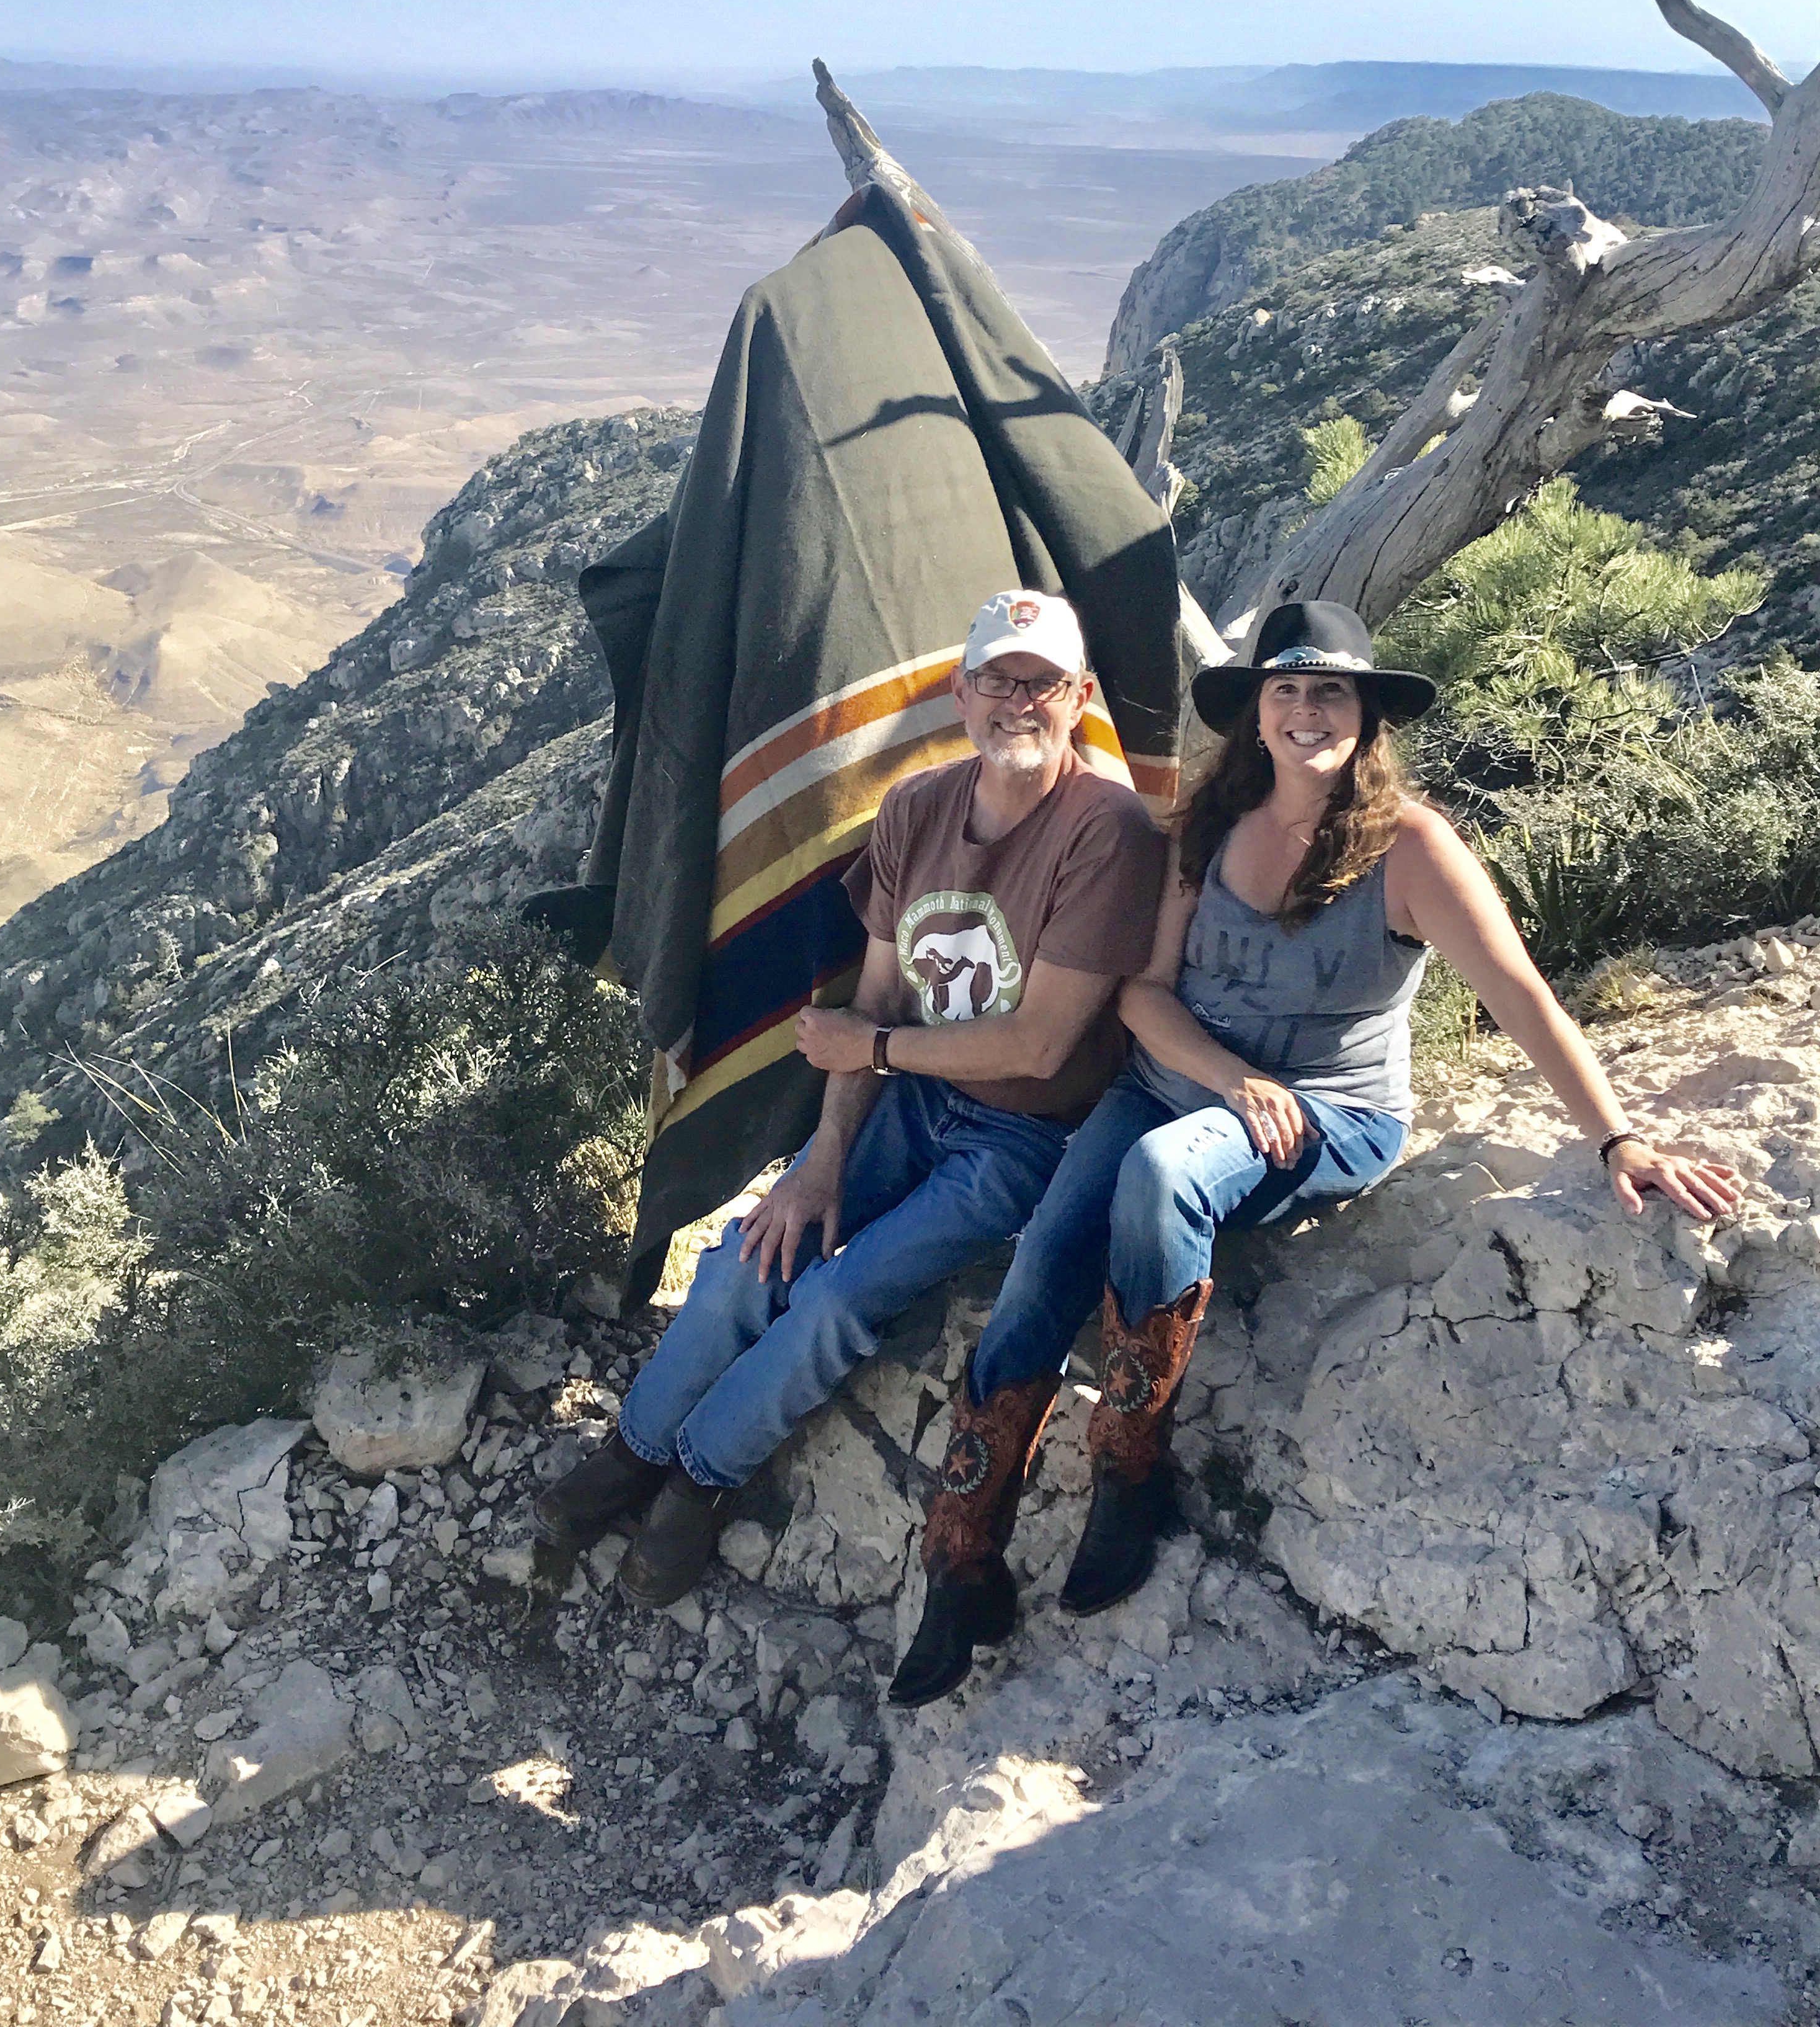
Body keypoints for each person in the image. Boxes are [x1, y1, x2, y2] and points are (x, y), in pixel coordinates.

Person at [890, 599, 1744, 1708]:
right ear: (1255, 714)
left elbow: (1519, 993)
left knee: (1164, 1177)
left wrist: (1618, 1136)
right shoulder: (1207, 828)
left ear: (1365, 713)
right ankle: (960, 1563)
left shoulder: (1409, 849)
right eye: (1284, 690)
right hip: (1178, 1085)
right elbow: (1145, 996)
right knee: (1041, 1265)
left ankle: (1130, 1467)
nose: (1305, 711)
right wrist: (1228, 1078)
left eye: (1328, 691)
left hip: (1327, 1116)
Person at [533, 587, 1166, 1608]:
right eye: (999, 680)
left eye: (1044, 684)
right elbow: (877, 986)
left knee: (835, 1297)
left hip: (1016, 1137)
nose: (1020, 702)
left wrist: (870, 1048)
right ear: (961, 695)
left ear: (1079, 695)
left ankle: (701, 1474)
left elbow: (1041, 1045)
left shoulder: (1107, 832)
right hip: (901, 1098)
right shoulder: (917, 810)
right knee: (756, 1256)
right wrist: (821, 1160)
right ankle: (635, 1449)